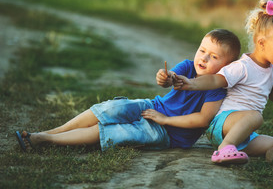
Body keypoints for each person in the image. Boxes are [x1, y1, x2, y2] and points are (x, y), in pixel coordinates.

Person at [15, 29, 242, 153]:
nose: (203, 57)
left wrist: (164, 120)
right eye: (202, 50)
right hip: (153, 107)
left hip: (169, 134)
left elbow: (202, 120)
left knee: (116, 131)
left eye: (213, 56)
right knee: (112, 108)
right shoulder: (188, 66)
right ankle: (54, 131)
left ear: (227, 67)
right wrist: (165, 77)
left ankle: (46, 140)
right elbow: (168, 80)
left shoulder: (217, 89)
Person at [174, 0, 273, 169]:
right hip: (222, 124)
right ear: (262, 43)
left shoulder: (271, 70)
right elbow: (216, 79)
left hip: (244, 132)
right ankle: (224, 147)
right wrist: (191, 83)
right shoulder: (243, 66)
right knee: (255, 116)